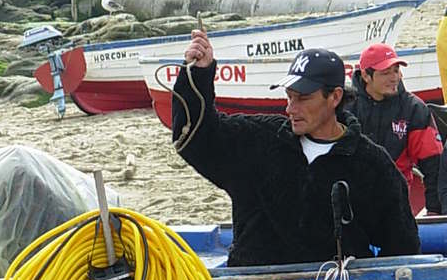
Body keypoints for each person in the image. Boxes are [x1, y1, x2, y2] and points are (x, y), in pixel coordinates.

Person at [172, 30, 420, 266]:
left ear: (335, 97)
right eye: (289, 96)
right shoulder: (256, 141)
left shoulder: (372, 164)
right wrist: (198, 75)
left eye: (302, 98)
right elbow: (195, 137)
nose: (291, 108)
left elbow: (403, 246)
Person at [350, 43, 443, 215]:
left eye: (396, 70)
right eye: (385, 73)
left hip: (395, 204)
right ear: (366, 75)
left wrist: (435, 210)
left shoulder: (414, 109)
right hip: (350, 202)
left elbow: (433, 164)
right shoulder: (345, 107)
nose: (394, 78)